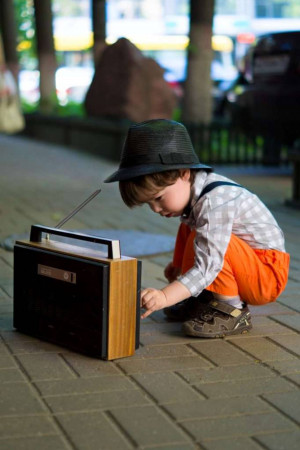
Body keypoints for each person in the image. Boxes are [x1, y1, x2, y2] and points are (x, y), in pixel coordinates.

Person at [104, 119, 290, 338]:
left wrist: (165, 296)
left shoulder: (214, 203)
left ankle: (232, 311)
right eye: (148, 203)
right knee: (190, 229)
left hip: (266, 275)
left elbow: (209, 264)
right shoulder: (197, 197)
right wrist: (178, 273)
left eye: (159, 198)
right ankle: (200, 297)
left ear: (183, 173)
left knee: (215, 240)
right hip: (249, 265)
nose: (155, 209)